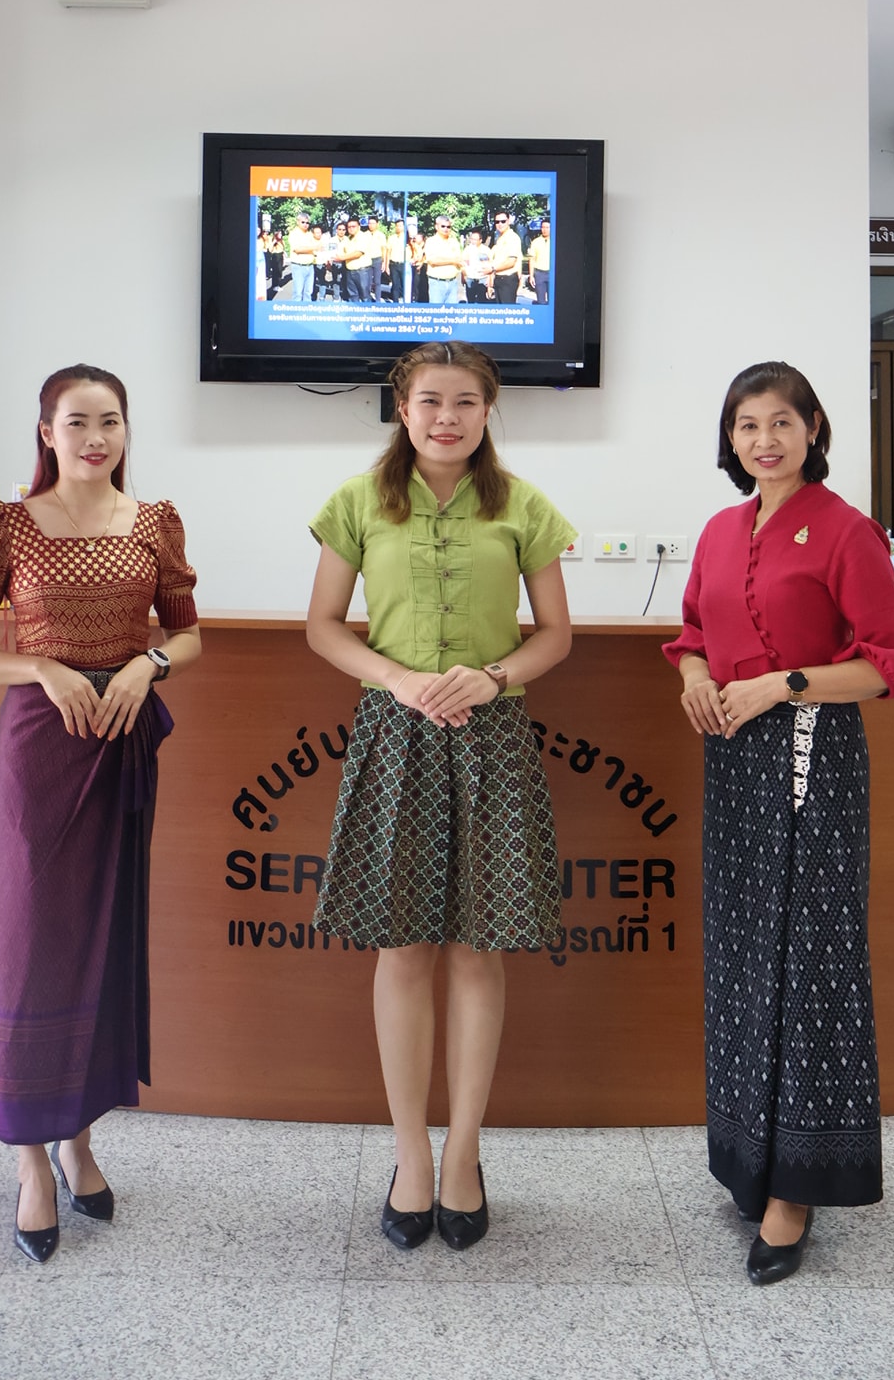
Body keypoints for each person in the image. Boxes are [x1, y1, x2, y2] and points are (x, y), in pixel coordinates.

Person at [306, 342, 574, 1252]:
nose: (446, 417)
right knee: (403, 948)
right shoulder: (357, 502)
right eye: (429, 401)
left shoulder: (522, 506)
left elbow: (555, 635)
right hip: (395, 733)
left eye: (464, 402)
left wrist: (492, 677)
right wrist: (397, 678)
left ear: (488, 410)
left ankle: (464, 1153)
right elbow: (321, 627)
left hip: (491, 736)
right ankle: (410, 1156)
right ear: (402, 406)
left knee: (476, 950)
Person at [664, 360, 894, 1287]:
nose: (763, 440)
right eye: (746, 425)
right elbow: (692, 634)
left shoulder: (846, 530)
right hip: (732, 758)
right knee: (742, 956)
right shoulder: (719, 528)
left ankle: (798, 1185)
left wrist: (784, 683)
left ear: (812, 428)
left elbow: (893, 662)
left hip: (813, 752)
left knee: (808, 959)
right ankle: (748, 1156)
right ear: (729, 440)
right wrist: (696, 678)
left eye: (780, 421)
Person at [0, 364, 201, 1265]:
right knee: (30, 947)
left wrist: (147, 666)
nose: (96, 438)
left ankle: (79, 1141)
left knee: (101, 943)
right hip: (41, 749)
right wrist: (42, 667)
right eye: (78, 422)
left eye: (110, 421)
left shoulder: (153, 523)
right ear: (46, 432)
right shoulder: (4, 523)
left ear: (126, 431)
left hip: (120, 743)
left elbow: (187, 635)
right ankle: (30, 1163)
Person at [424, 214, 465, 305]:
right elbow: (432, 261)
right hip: (437, 283)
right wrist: (452, 261)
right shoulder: (431, 241)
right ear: (436, 227)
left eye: (448, 227)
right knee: (437, 311)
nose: (446, 229)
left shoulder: (454, 242)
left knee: (451, 311)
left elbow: (459, 260)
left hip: (452, 282)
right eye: (443, 226)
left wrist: (442, 259)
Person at [488, 210, 523, 303]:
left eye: (503, 221)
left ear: (508, 221)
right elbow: (496, 260)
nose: (500, 224)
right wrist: (491, 282)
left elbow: (511, 262)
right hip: (498, 278)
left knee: (507, 309)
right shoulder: (499, 238)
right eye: (497, 222)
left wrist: (492, 269)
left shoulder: (513, 238)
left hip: (508, 280)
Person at [287, 210, 318, 302]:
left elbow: (315, 249)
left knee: (308, 293)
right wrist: (313, 248)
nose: (305, 224)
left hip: (310, 266)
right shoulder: (294, 234)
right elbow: (297, 250)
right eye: (303, 222)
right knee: (298, 293)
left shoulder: (309, 234)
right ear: (298, 222)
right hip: (298, 266)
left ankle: (307, 310)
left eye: (307, 223)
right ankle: (296, 310)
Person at [463, 228, 491, 304]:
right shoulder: (467, 249)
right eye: (471, 239)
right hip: (470, 278)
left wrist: (489, 280)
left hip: (482, 279)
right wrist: (463, 277)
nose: (473, 241)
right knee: (470, 300)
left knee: (481, 301)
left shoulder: (486, 250)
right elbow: (463, 264)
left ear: (480, 240)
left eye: (475, 240)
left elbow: (490, 265)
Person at [528, 217, 551, 305]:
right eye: (543, 227)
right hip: (539, 273)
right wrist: (531, 276)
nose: (544, 230)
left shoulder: (555, 241)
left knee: (553, 300)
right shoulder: (536, 242)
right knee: (541, 300)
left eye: (547, 227)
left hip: (551, 273)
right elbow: (532, 259)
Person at [387, 218, 407, 303]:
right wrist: (387, 265)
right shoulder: (391, 238)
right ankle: (395, 303)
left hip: (404, 264)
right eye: (397, 226)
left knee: (404, 285)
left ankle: (405, 303)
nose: (398, 227)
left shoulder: (407, 238)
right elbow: (388, 252)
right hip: (393, 264)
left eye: (400, 226)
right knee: (395, 285)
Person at [264, 225, 286, 301]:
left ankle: (278, 284)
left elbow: (283, 249)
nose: (281, 235)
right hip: (275, 256)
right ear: (276, 234)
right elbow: (270, 249)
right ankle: (274, 285)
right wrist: (273, 243)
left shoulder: (281, 241)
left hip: (280, 255)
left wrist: (284, 255)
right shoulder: (273, 240)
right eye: (279, 234)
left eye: (281, 234)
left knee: (280, 271)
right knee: (275, 271)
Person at [409, 227, 429, 303]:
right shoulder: (415, 246)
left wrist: (420, 264)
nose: (415, 239)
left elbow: (424, 256)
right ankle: (416, 299)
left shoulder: (426, 246)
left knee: (423, 285)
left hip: (424, 266)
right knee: (415, 285)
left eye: (417, 237)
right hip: (416, 266)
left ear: (422, 238)